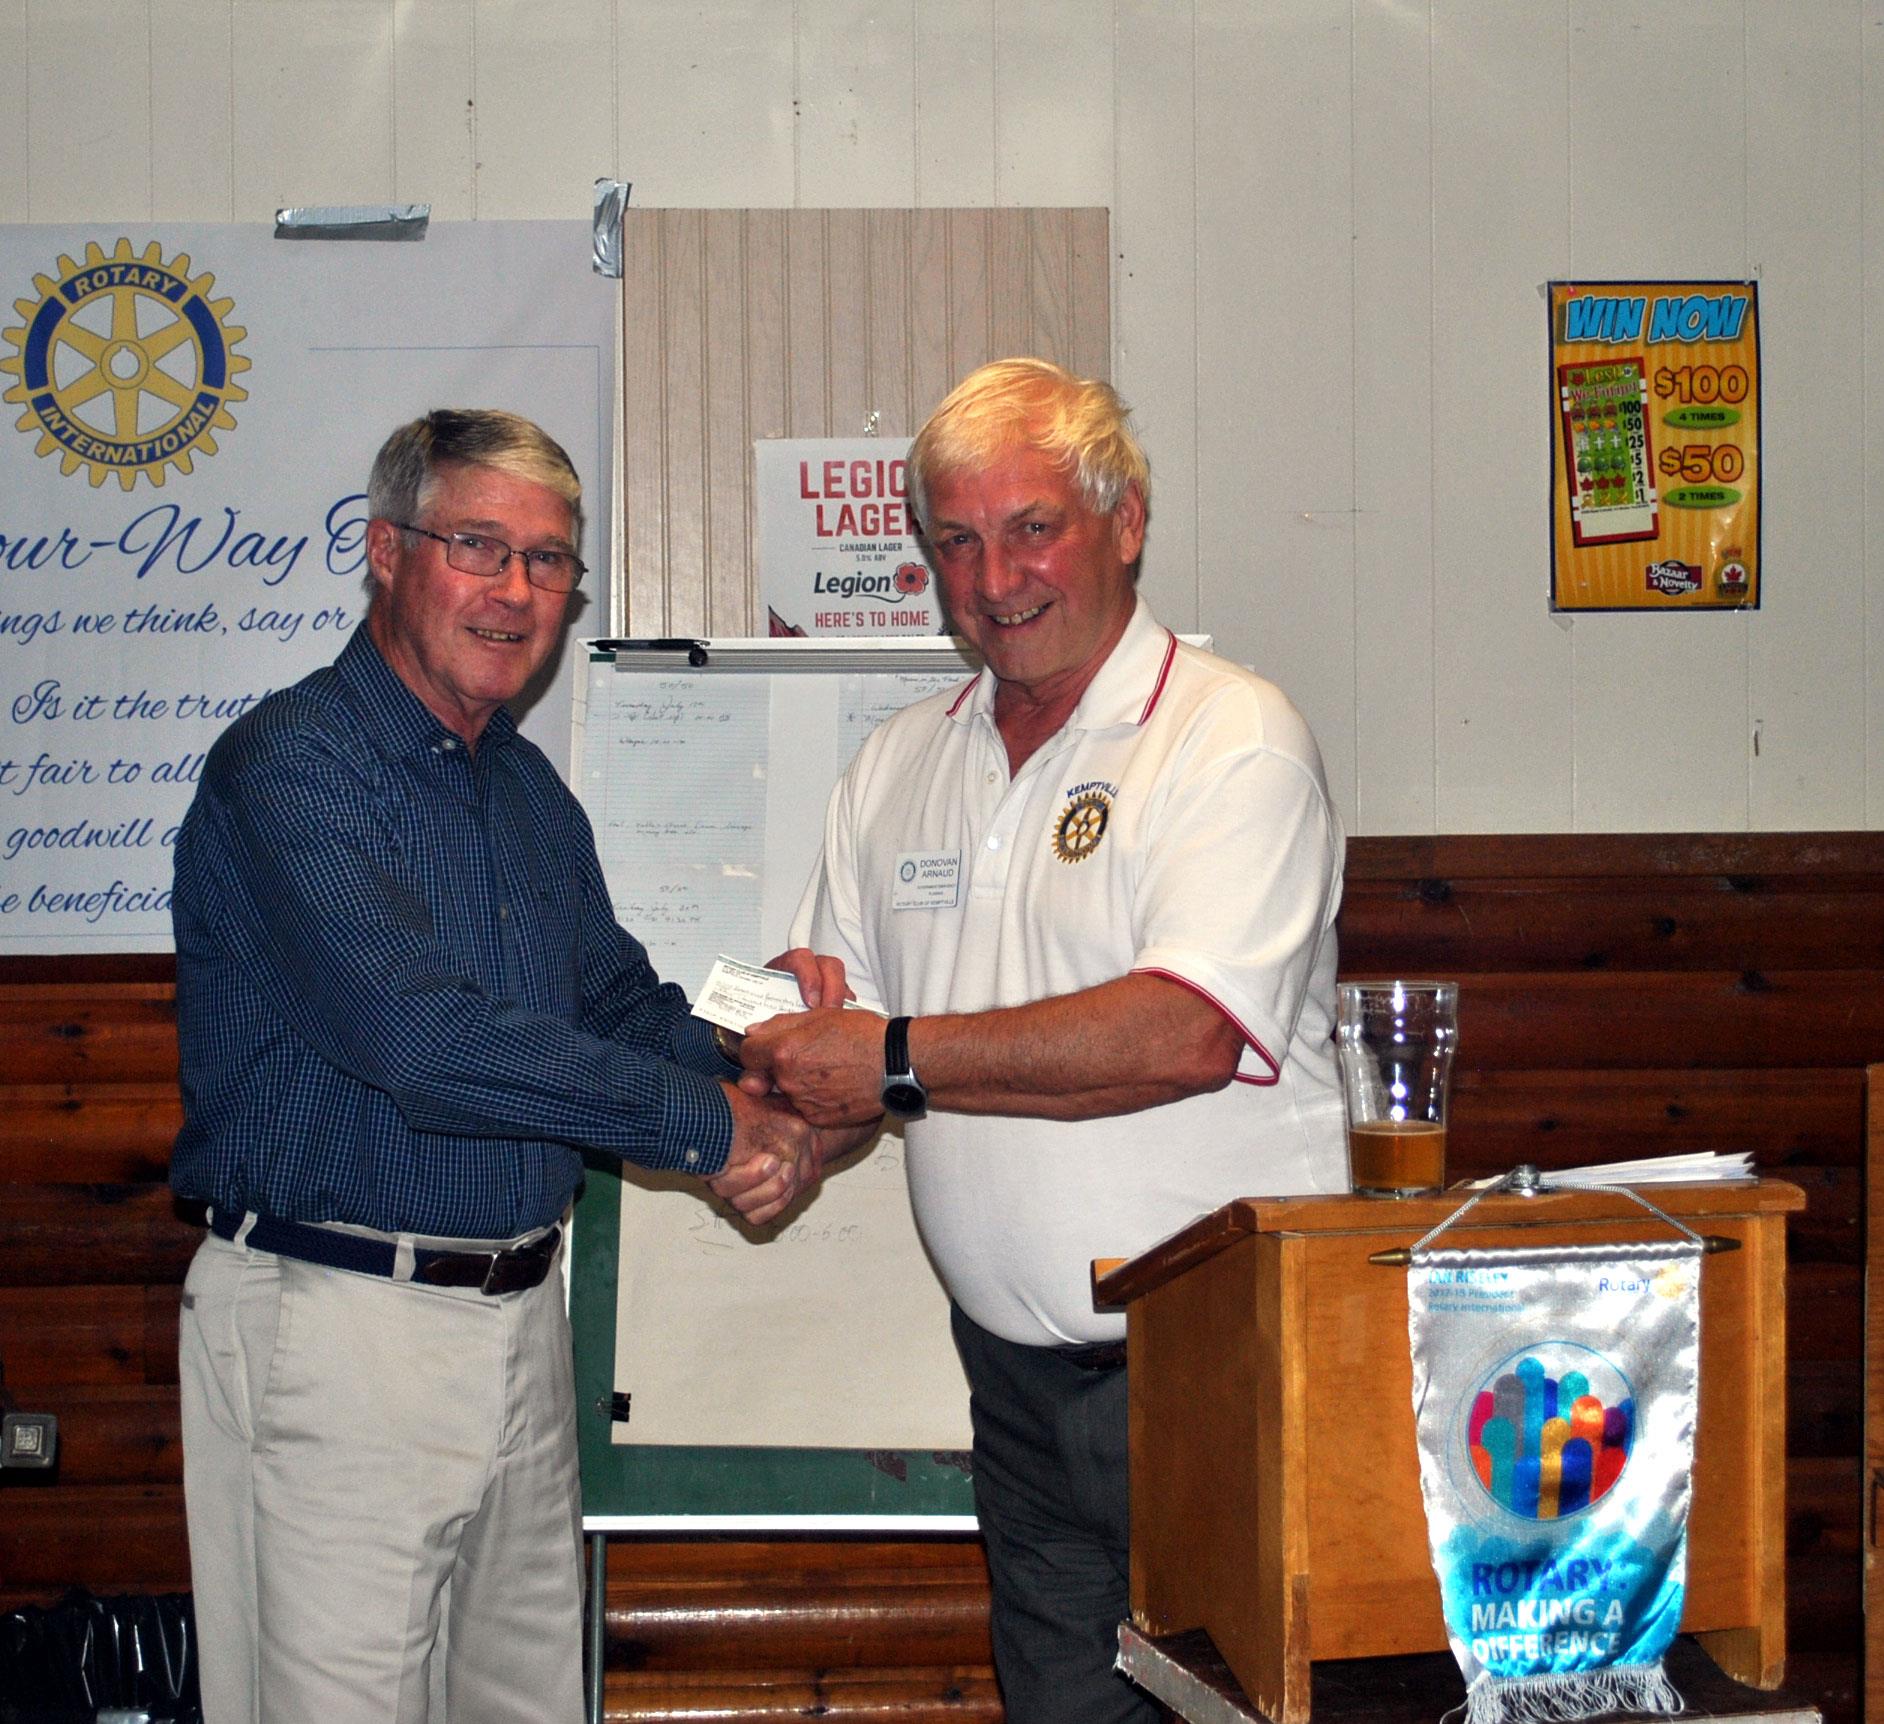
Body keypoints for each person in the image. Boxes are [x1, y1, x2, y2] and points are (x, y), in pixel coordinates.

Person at [169, 409, 833, 1724]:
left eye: (548, 560)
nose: (517, 590)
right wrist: (711, 1126)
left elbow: (617, 1004)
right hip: (337, 1323)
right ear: (386, 552)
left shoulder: (526, 790)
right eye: (479, 546)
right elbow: (420, 1043)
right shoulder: (289, 768)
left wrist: (775, 1053)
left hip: (523, 1324)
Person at [737, 359, 1348, 1723]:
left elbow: (1184, 1033)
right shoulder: (898, 762)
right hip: (1015, 1388)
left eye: (1032, 529)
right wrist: (780, 1097)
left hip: (1224, 1378)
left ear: (1125, 522)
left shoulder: (1231, 736)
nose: (994, 576)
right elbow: (847, 1050)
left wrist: (890, 1054)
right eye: (957, 540)